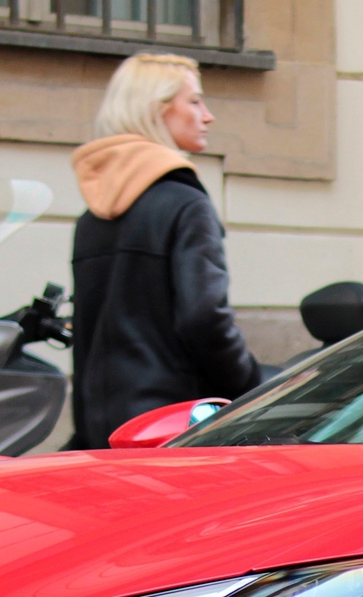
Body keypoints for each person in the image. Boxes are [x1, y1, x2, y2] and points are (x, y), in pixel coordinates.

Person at [66, 53, 260, 448]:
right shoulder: (187, 205)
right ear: (157, 111)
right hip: (170, 428)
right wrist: (254, 389)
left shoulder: (92, 217)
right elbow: (205, 319)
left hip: (100, 430)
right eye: (194, 101)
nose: (208, 116)